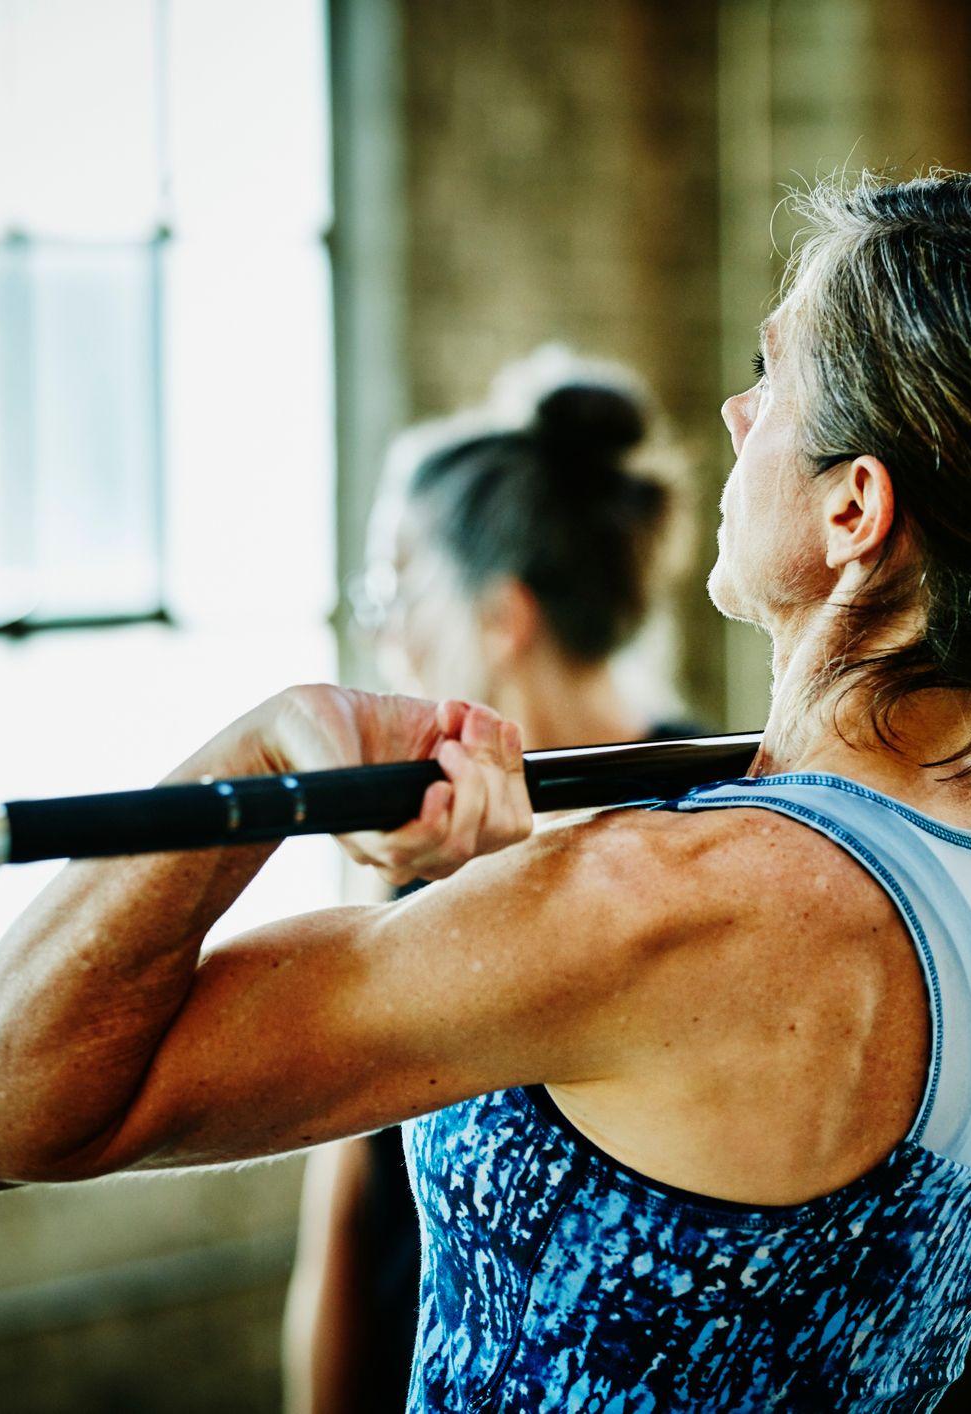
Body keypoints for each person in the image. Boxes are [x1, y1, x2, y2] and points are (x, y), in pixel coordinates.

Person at [0, 166, 971, 1410]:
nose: (739, 412)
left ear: (855, 511)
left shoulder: (647, 909)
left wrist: (263, 743)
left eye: (773, 375)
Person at [286, 349, 701, 1413]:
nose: (381, 628)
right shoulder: (420, 833)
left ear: (502, 614)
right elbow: (344, 1215)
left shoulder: (720, 825)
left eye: (397, 583)